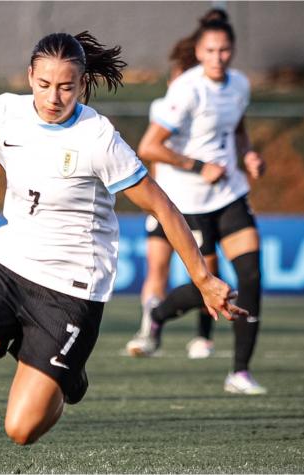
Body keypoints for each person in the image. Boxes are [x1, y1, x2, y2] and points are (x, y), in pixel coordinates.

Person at [0, 32, 245, 450]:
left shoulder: (99, 138)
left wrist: (204, 279)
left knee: (21, 430)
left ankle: (67, 377)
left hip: (71, 289)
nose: (54, 97)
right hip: (7, 268)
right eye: (44, 85)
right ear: (30, 76)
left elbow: (164, 209)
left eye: (65, 87)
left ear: (81, 85)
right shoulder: (4, 112)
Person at [124, 10, 267, 395]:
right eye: (210, 50)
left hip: (231, 194)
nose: (218, 57)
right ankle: (157, 314)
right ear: (199, 52)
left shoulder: (239, 84)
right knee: (210, 284)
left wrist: (248, 155)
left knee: (251, 278)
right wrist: (198, 165)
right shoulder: (187, 89)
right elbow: (149, 146)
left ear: (232, 50)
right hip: (189, 202)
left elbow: (237, 128)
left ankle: (239, 373)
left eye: (224, 50)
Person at [126, 33, 219, 360]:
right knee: (157, 269)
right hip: (164, 200)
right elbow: (153, 152)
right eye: (174, 78)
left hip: (196, 202)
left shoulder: (205, 109)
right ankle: (148, 331)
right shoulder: (162, 108)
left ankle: (203, 336)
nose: (176, 85)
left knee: (206, 271)